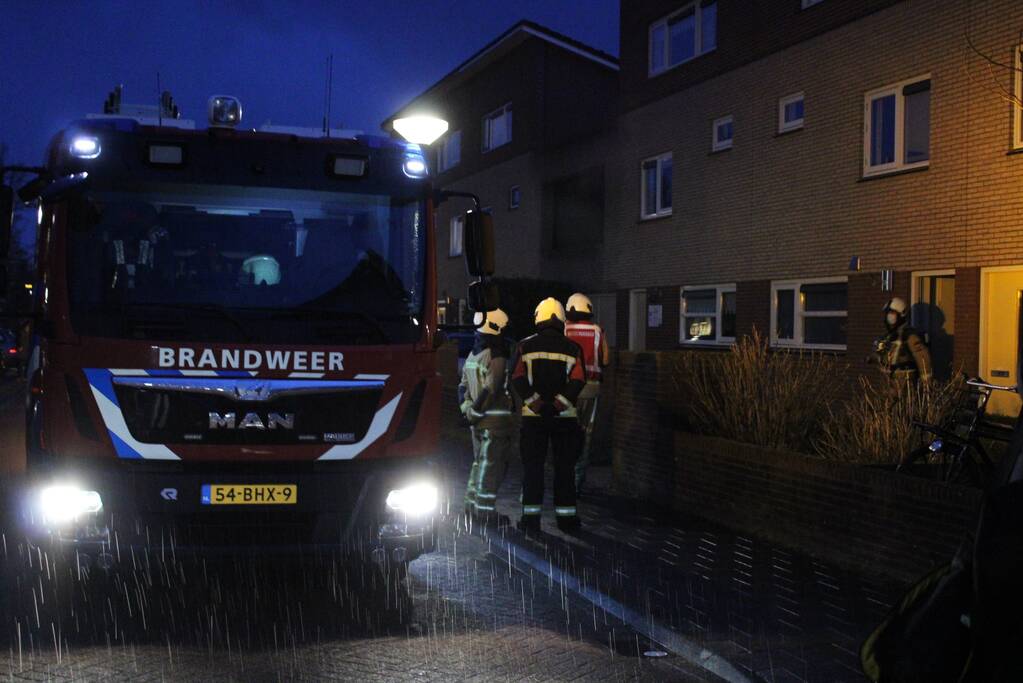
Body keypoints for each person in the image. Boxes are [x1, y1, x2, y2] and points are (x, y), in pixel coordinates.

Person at [511, 298, 586, 534]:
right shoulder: (573, 348)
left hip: (534, 420)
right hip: (565, 420)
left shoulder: (524, 346)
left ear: (538, 318)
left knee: (533, 469)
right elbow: (578, 380)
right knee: (565, 470)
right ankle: (567, 520)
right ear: (561, 320)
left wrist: (537, 404)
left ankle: (530, 521)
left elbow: (517, 378)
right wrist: (557, 405)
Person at [458, 308, 514, 524]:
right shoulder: (496, 356)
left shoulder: (473, 355)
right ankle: (485, 512)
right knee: (491, 469)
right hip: (494, 424)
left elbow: (462, 387)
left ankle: (471, 505)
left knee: (479, 465)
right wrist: (475, 412)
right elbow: (491, 389)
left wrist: (468, 411)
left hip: (477, 424)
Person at [564, 293, 610, 494]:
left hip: (568, 391)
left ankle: (565, 478)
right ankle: (577, 481)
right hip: (592, 389)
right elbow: (605, 360)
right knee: (585, 436)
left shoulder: (564, 329)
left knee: (567, 433)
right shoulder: (597, 331)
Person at [873, 297, 933, 383]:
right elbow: (881, 355)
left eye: (892, 313)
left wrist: (926, 383)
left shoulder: (909, 336)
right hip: (889, 382)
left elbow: (923, 358)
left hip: (905, 382)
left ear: (901, 315)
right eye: (887, 314)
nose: (889, 317)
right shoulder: (888, 337)